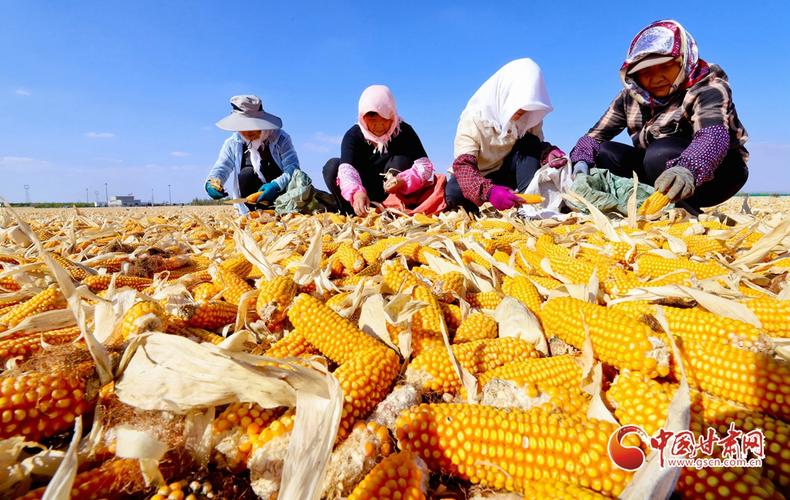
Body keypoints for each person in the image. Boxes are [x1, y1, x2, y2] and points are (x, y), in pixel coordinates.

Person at [570, 20, 748, 211]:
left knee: (658, 153)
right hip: (656, 169)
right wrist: (580, 165)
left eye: (665, 67)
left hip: (717, 171)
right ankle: (646, 206)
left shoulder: (708, 87)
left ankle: (685, 211)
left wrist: (687, 168)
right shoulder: (630, 97)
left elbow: (712, 136)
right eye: (645, 72)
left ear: (683, 59)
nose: (655, 79)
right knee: (604, 152)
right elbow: (593, 137)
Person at [445, 58, 567, 213]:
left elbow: (533, 146)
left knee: (529, 143)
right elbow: (464, 167)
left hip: (508, 171)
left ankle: (528, 206)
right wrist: (489, 192)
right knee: (454, 194)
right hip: (480, 175)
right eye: (518, 105)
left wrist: (547, 153)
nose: (522, 112)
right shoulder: (474, 118)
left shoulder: (529, 116)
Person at [323, 85, 439, 216]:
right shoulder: (353, 136)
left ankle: (393, 209)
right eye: (372, 120)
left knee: (401, 160)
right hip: (364, 188)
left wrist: (402, 181)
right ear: (363, 117)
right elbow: (347, 171)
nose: (379, 126)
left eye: (384, 120)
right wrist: (357, 193)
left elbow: (424, 166)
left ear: (392, 115)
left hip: (393, 191)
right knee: (332, 167)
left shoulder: (404, 132)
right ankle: (352, 211)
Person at [205, 95, 304, 215]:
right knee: (246, 174)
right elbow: (222, 166)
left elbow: (293, 168)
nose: (248, 132)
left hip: (281, 194)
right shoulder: (233, 143)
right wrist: (212, 182)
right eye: (244, 127)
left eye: (252, 126)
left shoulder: (281, 139)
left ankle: (279, 211)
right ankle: (252, 214)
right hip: (251, 199)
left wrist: (276, 185)